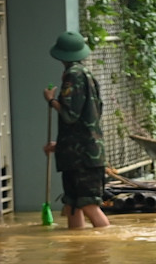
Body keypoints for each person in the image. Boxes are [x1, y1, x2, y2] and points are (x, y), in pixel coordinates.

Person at [44, 30, 110, 230]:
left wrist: (51, 100)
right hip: (81, 153)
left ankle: (105, 246)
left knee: (89, 204)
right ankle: (78, 250)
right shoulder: (87, 75)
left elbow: (70, 115)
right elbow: (89, 116)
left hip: (82, 158)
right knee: (73, 204)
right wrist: (62, 145)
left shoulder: (72, 76)